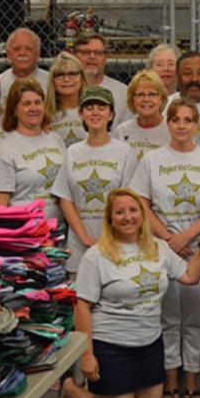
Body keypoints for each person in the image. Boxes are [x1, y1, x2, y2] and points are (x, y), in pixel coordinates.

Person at [59, 189, 200, 398]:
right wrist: (87, 355)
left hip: (148, 343)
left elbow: (190, 276)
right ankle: (71, 388)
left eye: (133, 210)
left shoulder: (159, 248)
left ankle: (116, 391)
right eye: (119, 212)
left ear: (142, 215)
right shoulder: (96, 256)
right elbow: (82, 307)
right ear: (110, 219)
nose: (127, 217)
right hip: (110, 344)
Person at [129, 98, 200, 398]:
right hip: (163, 247)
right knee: (168, 318)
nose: (182, 126)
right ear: (168, 123)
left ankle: (192, 380)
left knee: (195, 318)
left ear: (197, 124)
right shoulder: (152, 160)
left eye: (188, 120)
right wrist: (168, 237)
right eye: (176, 120)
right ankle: (169, 380)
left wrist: (189, 236)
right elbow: (142, 204)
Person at [52, 87, 136, 273]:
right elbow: (65, 199)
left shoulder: (124, 151)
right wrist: (84, 237)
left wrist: (110, 238)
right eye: (89, 108)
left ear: (111, 114)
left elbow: (129, 201)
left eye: (101, 107)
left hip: (116, 243)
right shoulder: (73, 151)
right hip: (79, 245)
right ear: (81, 114)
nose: (95, 112)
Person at [0, 79, 67, 220]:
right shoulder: (4, 152)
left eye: (38, 102)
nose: (33, 108)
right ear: (14, 109)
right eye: (26, 104)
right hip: (26, 235)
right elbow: (0, 207)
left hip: (59, 231)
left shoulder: (56, 140)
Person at [74, 31, 129, 124]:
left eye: (98, 53)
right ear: (74, 55)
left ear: (105, 57)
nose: (92, 57)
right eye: (85, 52)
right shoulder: (64, 90)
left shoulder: (123, 92)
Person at [115, 70, 171, 161]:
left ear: (162, 98)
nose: (146, 99)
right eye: (140, 94)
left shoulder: (172, 131)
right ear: (132, 100)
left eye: (152, 94)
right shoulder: (122, 131)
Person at [46, 52, 87, 147]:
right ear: (52, 80)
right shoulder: (44, 114)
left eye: (72, 74)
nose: (66, 79)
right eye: (60, 75)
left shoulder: (93, 111)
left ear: (82, 77)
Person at [0, 27, 49, 96]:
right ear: (9, 54)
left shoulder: (51, 82)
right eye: (16, 49)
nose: (22, 53)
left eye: (28, 49)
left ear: (37, 54)